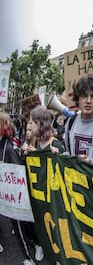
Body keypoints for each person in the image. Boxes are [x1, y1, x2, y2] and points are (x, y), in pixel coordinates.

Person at [0, 112, 44, 265]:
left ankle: (28, 257)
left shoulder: (8, 148)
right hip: (8, 195)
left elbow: (16, 172)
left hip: (14, 196)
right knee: (22, 225)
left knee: (20, 226)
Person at [64, 75, 93, 159]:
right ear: (78, 98)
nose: (88, 101)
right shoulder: (71, 122)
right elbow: (69, 151)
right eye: (84, 96)